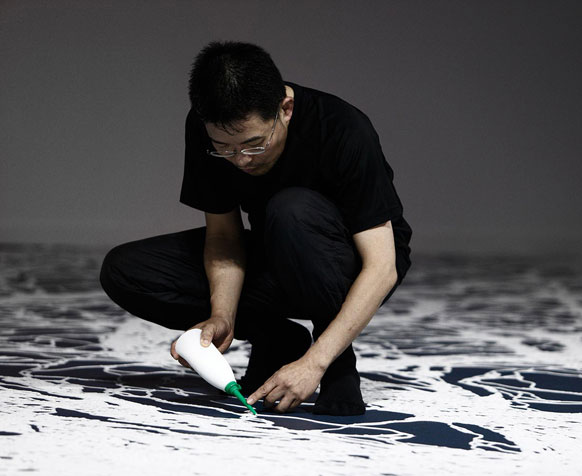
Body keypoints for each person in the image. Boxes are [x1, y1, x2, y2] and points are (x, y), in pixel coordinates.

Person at [99, 41, 412, 416]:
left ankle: (339, 364)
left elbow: (382, 267)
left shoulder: (344, 128)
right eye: (225, 149)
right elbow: (225, 237)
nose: (241, 160)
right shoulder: (208, 128)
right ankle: (279, 338)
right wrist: (223, 316)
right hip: (275, 249)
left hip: (354, 265)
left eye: (254, 144)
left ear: (285, 109)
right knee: (126, 270)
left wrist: (317, 362)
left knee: (290, 209)